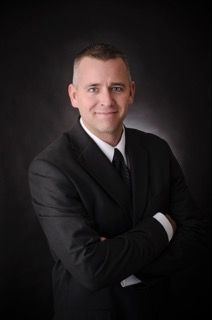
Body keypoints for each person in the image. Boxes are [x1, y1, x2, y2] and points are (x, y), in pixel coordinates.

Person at [28, 43, 206, 320]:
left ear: (132, 92)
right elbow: (91, 269)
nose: (107, 101)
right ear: (73, 96)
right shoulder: (50, 168)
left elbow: (195, 234)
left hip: (160, 309)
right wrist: (163, 226)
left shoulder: (157, 149)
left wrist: (116, 259)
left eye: (117, 88)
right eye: (93, 88)